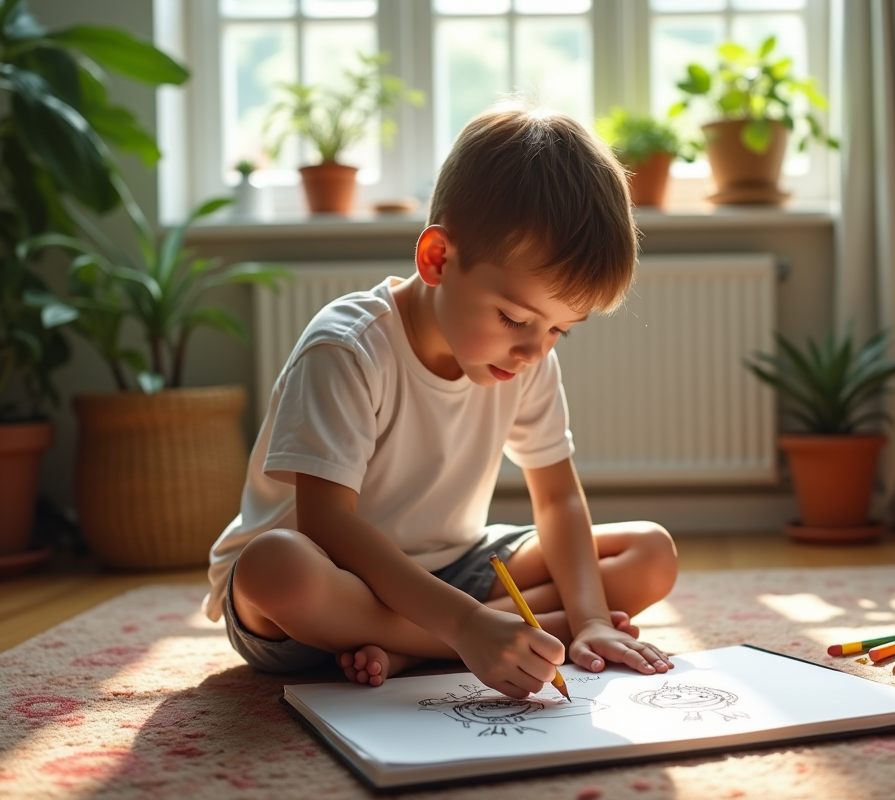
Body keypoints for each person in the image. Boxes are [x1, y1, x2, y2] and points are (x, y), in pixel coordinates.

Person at [203, 103, 679, 698]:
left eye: (559, 329)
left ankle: (419, 645)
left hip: (453, 566)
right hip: (327, 581)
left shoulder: (525, 360)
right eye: (513, 317)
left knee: (650, 552)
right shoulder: (347, 348)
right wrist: (463, 623)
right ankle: (467, 638)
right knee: (277, 567)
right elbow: (327, 526)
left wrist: (588, 620)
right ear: (437, 259)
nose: (534, 350)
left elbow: (556, 497)